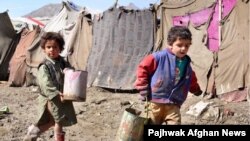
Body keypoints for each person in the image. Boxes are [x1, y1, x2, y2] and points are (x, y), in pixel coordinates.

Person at [134, 26, 202, 125]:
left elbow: (190, 78)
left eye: (187, 46)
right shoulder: (158, 57)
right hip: (155, 102)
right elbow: (143, 68)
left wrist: (195, 89)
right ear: (170, 44)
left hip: (174, 103)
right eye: (179, 45)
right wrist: (143, 86)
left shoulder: (186, 63)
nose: (184, 48)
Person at [23, 32, 77, 141]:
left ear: (60, 48)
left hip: (62, 97)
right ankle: (32, 134)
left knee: (55, 121)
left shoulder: (62, 62)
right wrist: (57, 94)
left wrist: (69, 71)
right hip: (50, 98)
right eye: (49, 47)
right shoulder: (45, 66)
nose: (52, 49)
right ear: (44, 48)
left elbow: (71, 73)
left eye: (55, 47)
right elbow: (45, 84)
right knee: (55, 121)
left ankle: (34, 134)